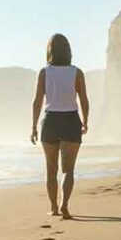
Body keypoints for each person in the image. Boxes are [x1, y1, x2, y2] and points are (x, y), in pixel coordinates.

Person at [30, 33, 89, 219]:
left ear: (50, 51)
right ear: (68, 51)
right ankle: (65, 205)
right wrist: (85, 121)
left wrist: (33, 127)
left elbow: (37, 101)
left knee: (51, 169)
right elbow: (84, 100)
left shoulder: (44, 72)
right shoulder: (76, 72)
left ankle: (54, 207)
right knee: (68, 170)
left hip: (50, 121)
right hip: (71, 120)